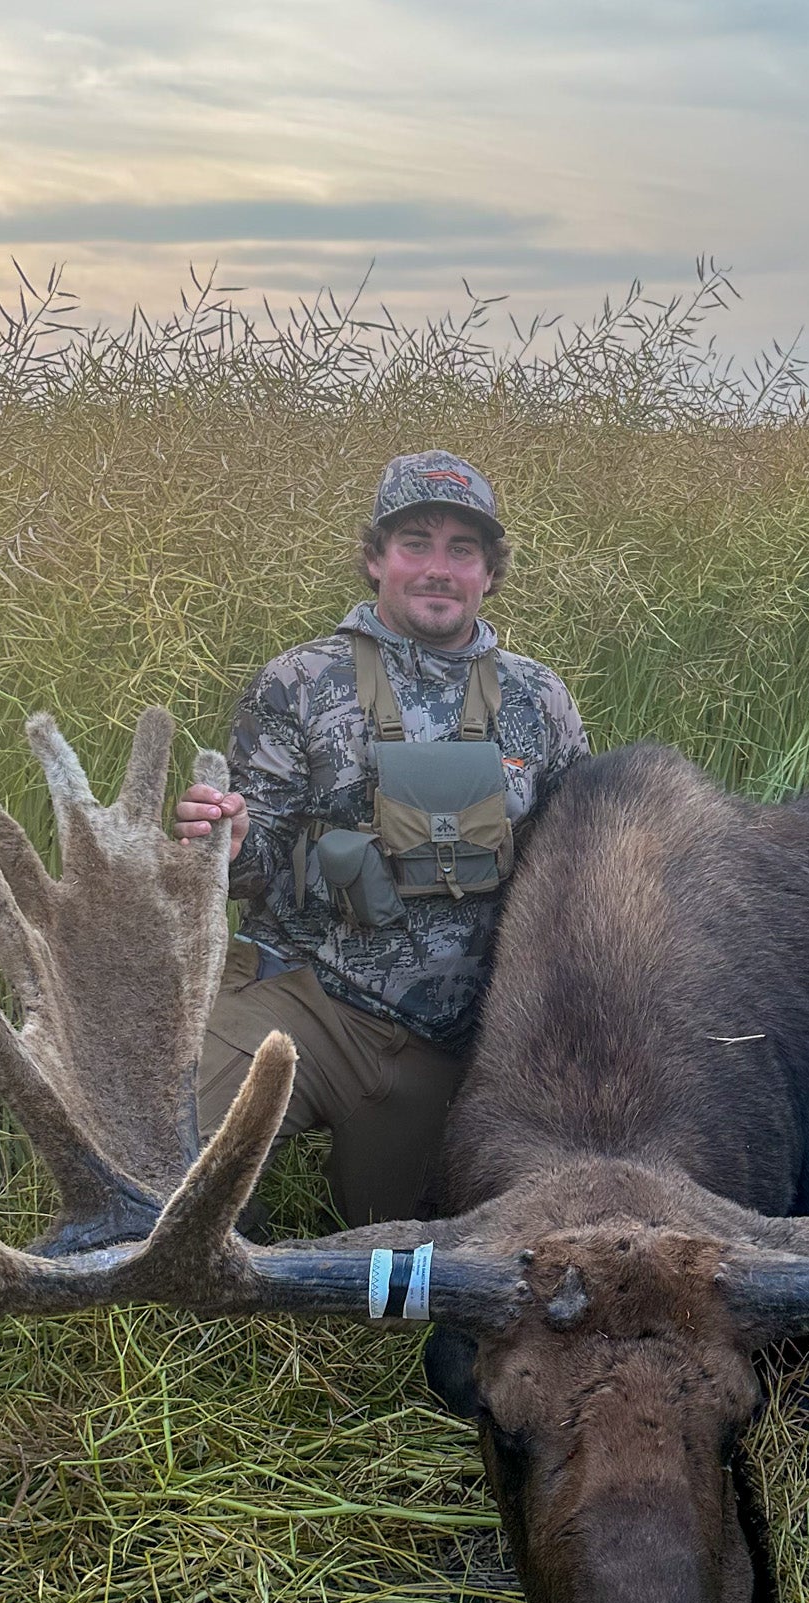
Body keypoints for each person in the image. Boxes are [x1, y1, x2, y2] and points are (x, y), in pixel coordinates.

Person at [174, 452, 590, 1224]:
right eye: (414, 544)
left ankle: (367, 1278)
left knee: (406, 1286)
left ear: (489, 573)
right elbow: (255, 860)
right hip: (303, 1003)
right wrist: (227, 844)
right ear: (375, 559)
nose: (437, 569)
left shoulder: (541, 699)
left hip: (455, 1048)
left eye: (461, 550)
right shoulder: (298, 681)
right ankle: (209, 1302)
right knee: (173, 1173)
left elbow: (579, 870)